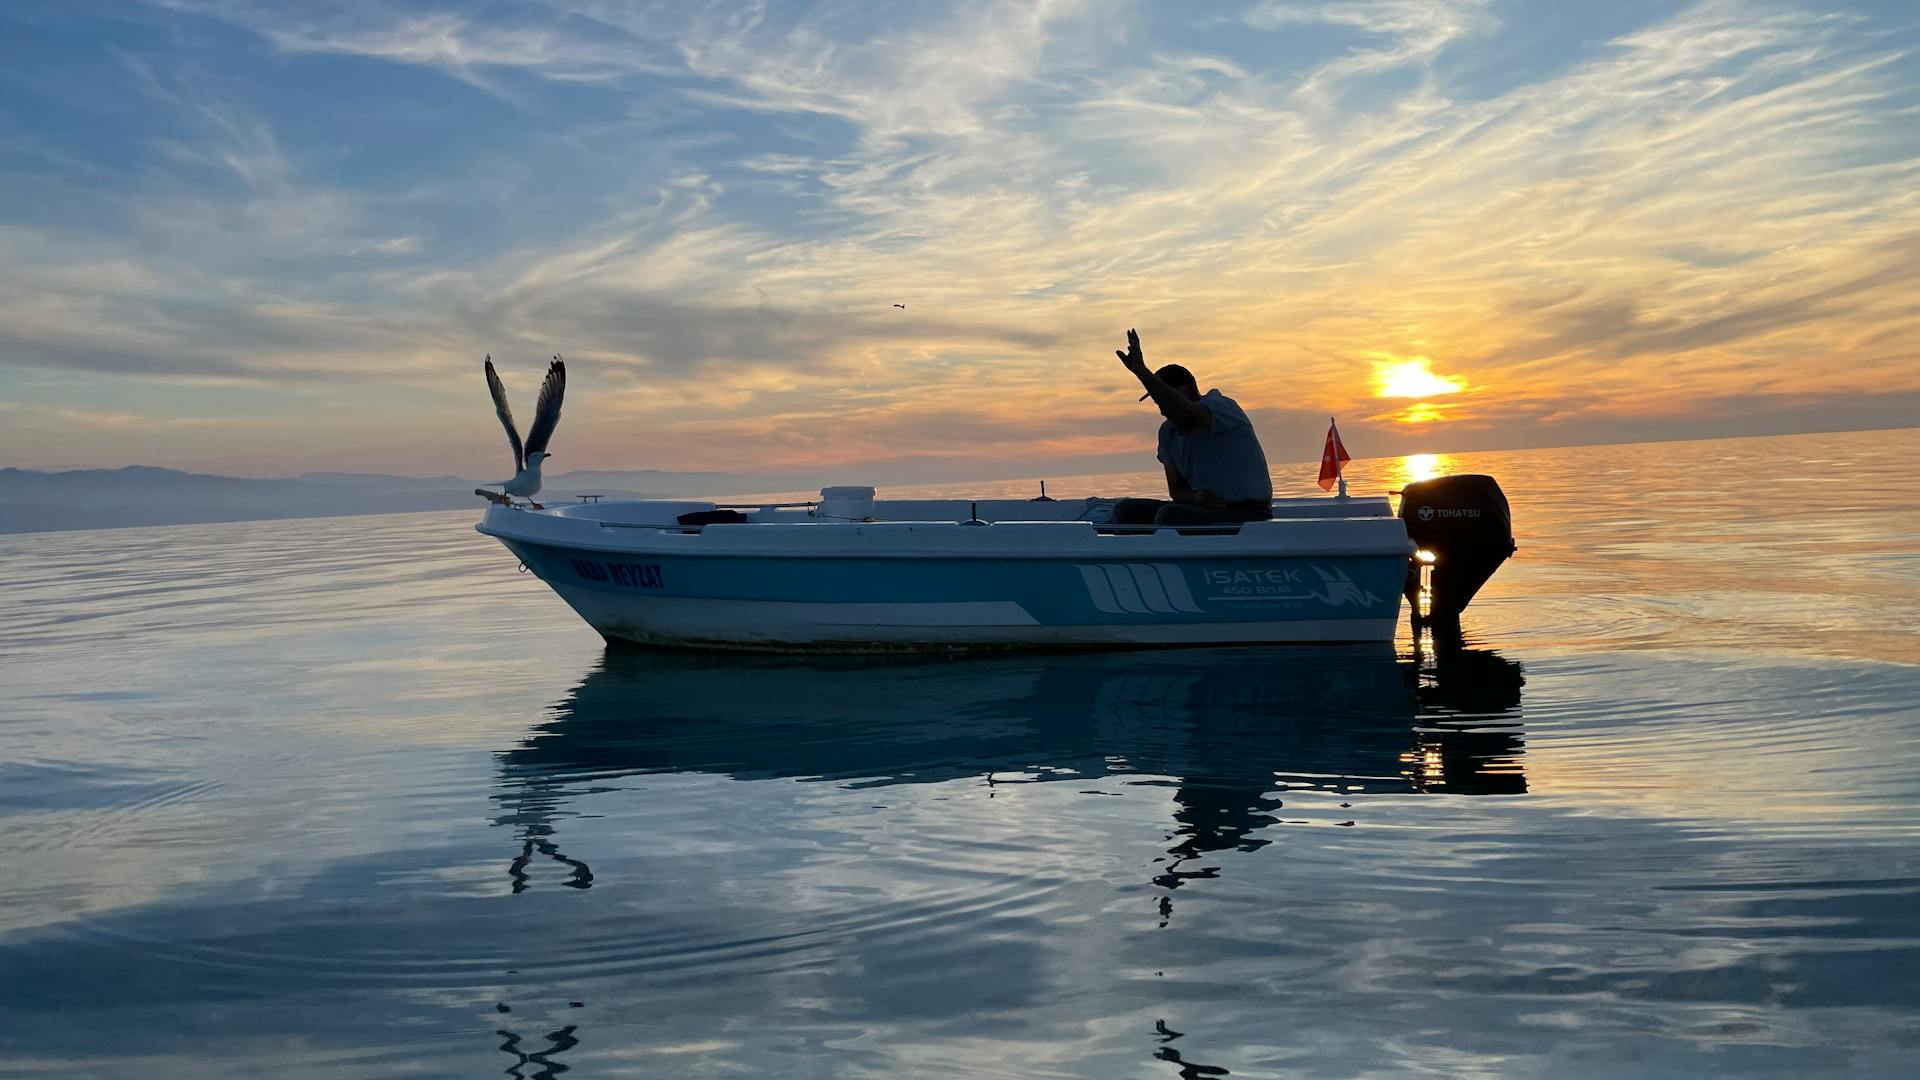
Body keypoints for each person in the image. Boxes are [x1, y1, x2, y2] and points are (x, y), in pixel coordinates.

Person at [1111, 328, 1273, 527]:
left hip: (1249, 511)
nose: (1161, 408)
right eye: (1156, 400)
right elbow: (1176, 490)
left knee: (1169, 516)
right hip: (1201, 509)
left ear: (1189, 390)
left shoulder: (1221, 407)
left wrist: (1142, 373)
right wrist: (1195, 498)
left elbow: (1186, 415)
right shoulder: (1167, 433)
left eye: (1164, 398)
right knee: (1125, 510)